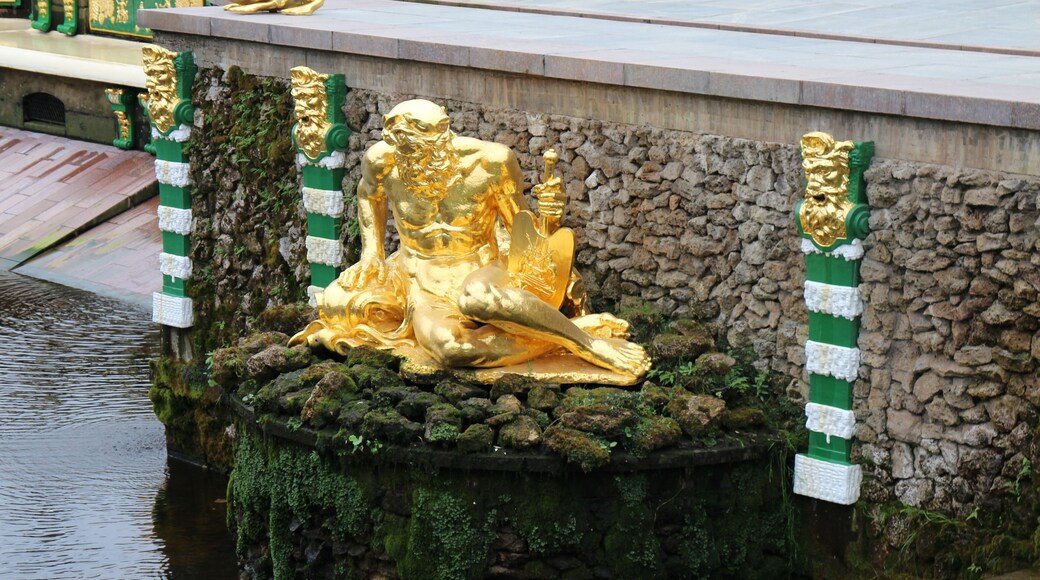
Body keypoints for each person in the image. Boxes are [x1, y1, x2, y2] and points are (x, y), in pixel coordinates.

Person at [292, 99, 649, 379]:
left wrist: (551, 216)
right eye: (401, 152)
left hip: (480, 266)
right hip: (418, 276)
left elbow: (525, 235)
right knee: (448, 350)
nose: (409, 161)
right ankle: (564, 335)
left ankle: (588, 345)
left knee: (477, 297)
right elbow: (368, 196)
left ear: (441, 136)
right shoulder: (383, 161)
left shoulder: (491, 163)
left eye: (417, 151)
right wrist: (372, 252)